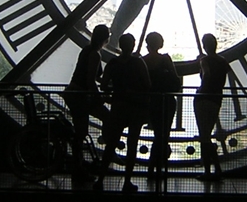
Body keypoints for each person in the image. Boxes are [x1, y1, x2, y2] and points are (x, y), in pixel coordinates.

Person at [94, 33, 150, 193]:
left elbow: (104, 85)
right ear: (132, 45)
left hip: (118, 107)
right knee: (132, 145)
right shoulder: (138, 63)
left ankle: (100, 180)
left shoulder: (113, 63)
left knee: (111, 144)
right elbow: (147, 84)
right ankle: (127, 181)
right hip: (135, 107)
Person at [63, 24, 110, 183]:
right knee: (106, 118)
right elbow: (92, 80)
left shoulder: (87, 51)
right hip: (80, 96)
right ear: (106, 39)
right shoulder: (96, 55)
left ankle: (79, 167)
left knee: (80, 133)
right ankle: (107, 145)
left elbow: (88, 78)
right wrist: (100, 96)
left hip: (75, 94)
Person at [143, 31, 180, 185]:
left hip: (152, 102)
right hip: (167, 101)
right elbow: (176, 82)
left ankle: (152, 169)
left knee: (158, 135)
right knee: (163, 135)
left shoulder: (142, 61)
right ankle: (159, 169)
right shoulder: (165, 60)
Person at [194, 33, 230, 182]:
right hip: (216, 99)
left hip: (203, 99)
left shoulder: (204, 61)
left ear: (204, 45)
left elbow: (207, 75)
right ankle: (216, 169)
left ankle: (209, 170)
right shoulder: (222, 61)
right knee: (206, 136)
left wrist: (202, 89)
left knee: (204, 136)